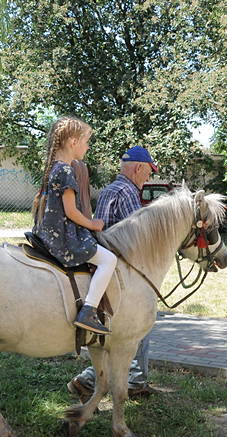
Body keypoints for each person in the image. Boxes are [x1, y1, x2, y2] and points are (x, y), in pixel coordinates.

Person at [68, 146, 160, 400]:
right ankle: (107, 379)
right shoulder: (127, 192)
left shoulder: (112, 189)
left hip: (106, 264)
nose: (148, 177)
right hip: (119, 269)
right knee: (138, 324)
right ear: (139, 168)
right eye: (149, 172)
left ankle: (131, 379)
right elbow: (137, 237)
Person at [31, 116, 116, 335]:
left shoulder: (54, 168)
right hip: (63, 238)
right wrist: (93, 224)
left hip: (48, 232)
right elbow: (71, 212)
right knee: (109, 260)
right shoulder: (66, 171)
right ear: (73, 142)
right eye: (86, 141)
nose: (87, 147)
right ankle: (88, 311)